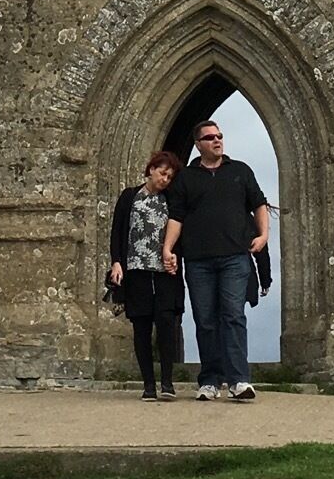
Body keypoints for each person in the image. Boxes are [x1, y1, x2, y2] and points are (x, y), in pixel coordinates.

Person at [163, 120, 269, 403]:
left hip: (235, 257)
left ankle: (238, 380)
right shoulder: (186, 178)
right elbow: (177, 216)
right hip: (198, 261)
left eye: (220, 136)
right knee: (205, 320)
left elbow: (259, 204)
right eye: (210, 137)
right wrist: (168, 248)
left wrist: (263, 236)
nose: (217, 141)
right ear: (198, 144)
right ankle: (209, 381)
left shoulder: (240, 171)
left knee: (233, 315)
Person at [108, 151, 185, 401]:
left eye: (169, 177)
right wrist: (117, 263)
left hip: (164, 271)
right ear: (151, 169)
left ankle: (167, 383)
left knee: (165, 323)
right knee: (141, 326)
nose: (165, 180)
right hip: (136, 270)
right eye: (162, 173)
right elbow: (118, 230)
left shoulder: (171, 198)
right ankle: (148, 385)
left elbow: (179, 226)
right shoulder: (130, 196)